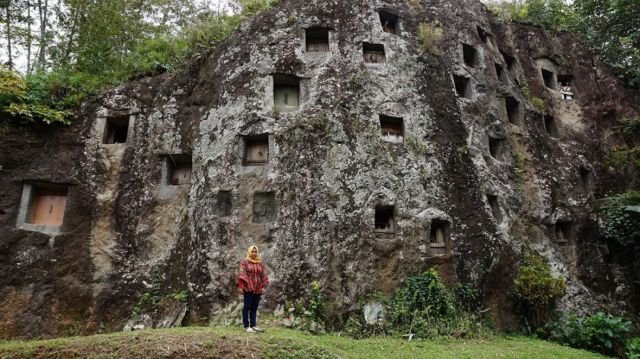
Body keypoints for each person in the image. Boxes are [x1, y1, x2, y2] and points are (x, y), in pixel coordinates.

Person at [237, 245, 269, 333]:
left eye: (255, 251)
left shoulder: (260, 263)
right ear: (249, 252)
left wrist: (263, 287)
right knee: (247, 306)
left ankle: (253, 325)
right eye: (252, 251)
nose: (254, 253)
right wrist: (241, 286)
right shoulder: (245, 262)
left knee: (254, 307)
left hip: (258, 287)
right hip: (248, 287)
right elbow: (242, 274)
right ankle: (246, 326)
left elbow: (264, 275)